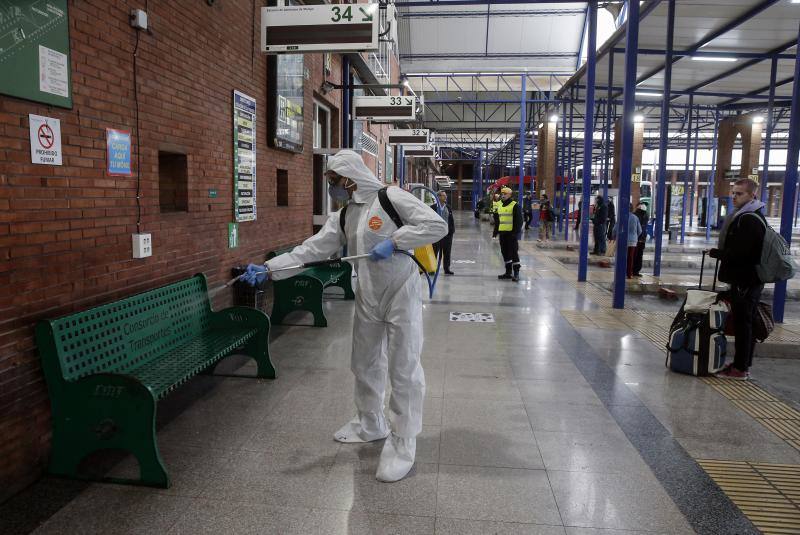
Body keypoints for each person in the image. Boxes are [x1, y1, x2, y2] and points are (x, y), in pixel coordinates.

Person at [240, 150, 447, 481]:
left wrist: (396, 241)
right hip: (368, 292)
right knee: (364, 361)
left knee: (403, 367)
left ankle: (404, 441)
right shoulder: (346, 214)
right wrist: (269, 269)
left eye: (334, 181)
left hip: (401, 291)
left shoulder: (390, 198)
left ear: (349, 178)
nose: (332, 188)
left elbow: (436, 225)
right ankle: (370, 423)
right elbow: (312, 250)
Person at [709, 178, 766, 380]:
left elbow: (743, 254)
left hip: (746, 280)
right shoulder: (750, 215)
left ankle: (740, 368)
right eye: (733, 193)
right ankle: (742, 365)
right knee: (745, 322)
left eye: (739, 193)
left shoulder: (748, 219)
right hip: (749, 279)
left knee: (744, 324)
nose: (734, 196)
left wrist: (718, 253)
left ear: (752, 195)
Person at [493, 187, 523, 281]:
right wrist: (495, 232)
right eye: (502, 193)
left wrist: (515, 233)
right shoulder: (500, 205)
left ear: (510, 195)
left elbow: (519, 221)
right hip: (503, 234)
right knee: (505, 253)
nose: (503, 195)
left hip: (511, 234)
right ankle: (508, 272)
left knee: (513, 253)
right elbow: (498, 220)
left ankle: (516, 273)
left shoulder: (515, 205)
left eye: (505, 194)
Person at [431, 190, 455, 275]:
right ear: (438, 197)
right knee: (434, 252)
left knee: (447, 252)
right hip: (436, 235)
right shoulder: (433, 208)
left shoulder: (448, 207)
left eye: (445, 195)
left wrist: (451, 232)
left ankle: (447, 268)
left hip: (447, 235)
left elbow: (451, 220)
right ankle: (432, 268)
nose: (446, 197)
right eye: (443, 195)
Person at [620, 204, 642, 279]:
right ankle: (629, 274)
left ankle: (621, 273)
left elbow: (616, 228)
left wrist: (614, 235)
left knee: (622, 257)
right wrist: (635, 236)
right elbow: (640, 231)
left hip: (623, 240)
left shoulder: (622, 217)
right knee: (630, 258)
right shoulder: (635, 218)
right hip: (633, 241)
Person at [632, 202, 648, 276]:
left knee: (634, 255)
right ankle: (636, 271)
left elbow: (639, 229)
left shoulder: (635, 215)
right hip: (641, 238)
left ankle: (633, 270)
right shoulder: (645, 215)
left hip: (637, 238)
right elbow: (643, 228)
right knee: (639, 255)